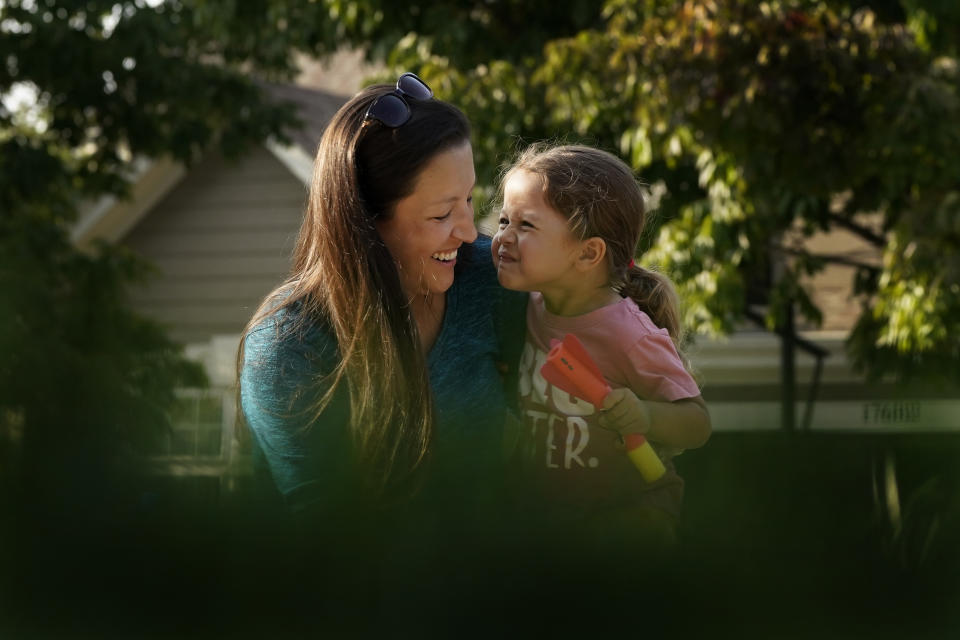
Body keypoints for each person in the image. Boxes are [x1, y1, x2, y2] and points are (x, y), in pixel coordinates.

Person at [237, 73, 525, 531]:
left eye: (469, 200)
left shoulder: (488, 283)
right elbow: (324, 540)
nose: (470, 231)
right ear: (367, 224)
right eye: (441, 213)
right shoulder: (288, 345)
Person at [491, 143, 712, 550]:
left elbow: (697, 423)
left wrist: (644, 414)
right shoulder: (525, 308)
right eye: (504, 219)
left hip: (626, 513)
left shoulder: (628, 334)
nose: (503, 236)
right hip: (549, 515)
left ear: (588, 252)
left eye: (526, 226)